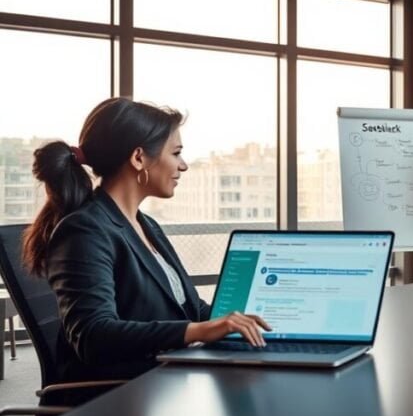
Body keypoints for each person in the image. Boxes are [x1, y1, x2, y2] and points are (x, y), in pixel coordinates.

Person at [23, 97, 271, 390]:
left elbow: (186, 308)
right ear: (139, 158)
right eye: (176, 153)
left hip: (162, 383)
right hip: (112, 404)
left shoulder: (145, 225)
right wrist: (199, 330)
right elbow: (93, 335)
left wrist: (238, 322)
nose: (184, 165)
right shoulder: (84, 231)